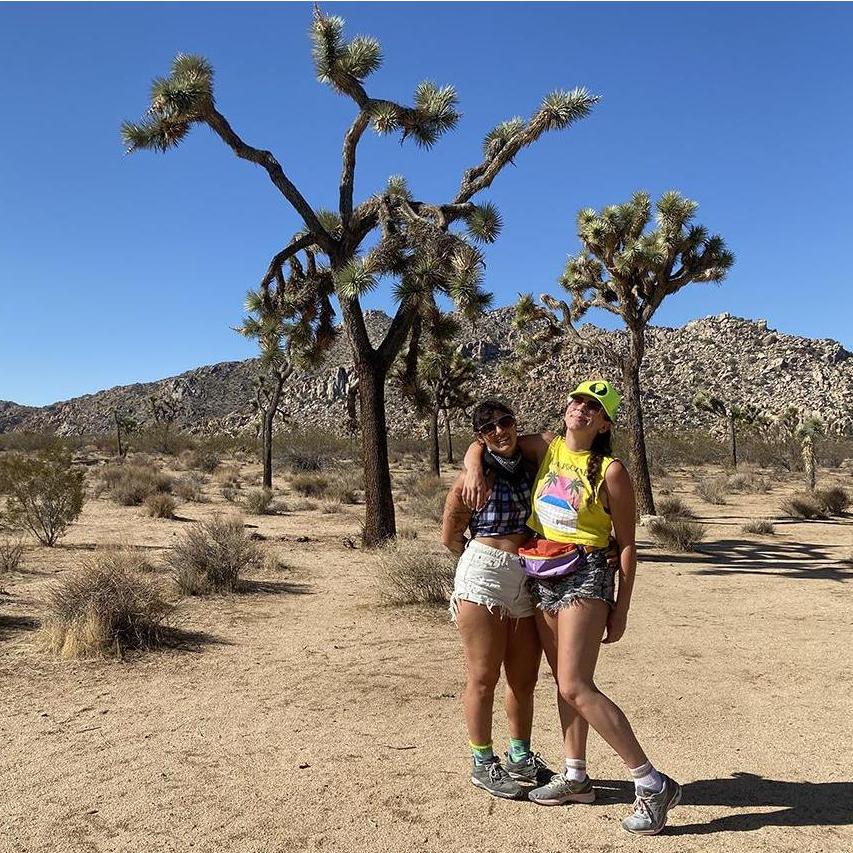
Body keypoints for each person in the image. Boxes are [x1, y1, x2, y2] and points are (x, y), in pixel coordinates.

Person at [462, 379, 681, 835]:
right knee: (563, 682)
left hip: (587, 572)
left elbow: (626, 545)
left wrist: (621, 606)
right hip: (542, 572)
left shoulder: (612, 470)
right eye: (578, 400)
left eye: (594, 407)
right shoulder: (545, 446)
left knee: (577, 684)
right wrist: (471, 466)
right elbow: (485, 440)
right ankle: (575, 777)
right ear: (567, 408)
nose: (583, 409)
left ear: (604, 422)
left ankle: (651, 780)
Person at [441, 400, 551, 800]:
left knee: (524, 678)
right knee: (484, 675)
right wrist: (473, 464)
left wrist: (473, 456)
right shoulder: (471, 480)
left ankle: (520, 755)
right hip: (484, 571)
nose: (499, 432)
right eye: (488, 429)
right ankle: (483, 761)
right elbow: (450, 535)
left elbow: (551, 440)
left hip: (526, 571)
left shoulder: (531, 457)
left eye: (506, 422)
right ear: (480, 437)